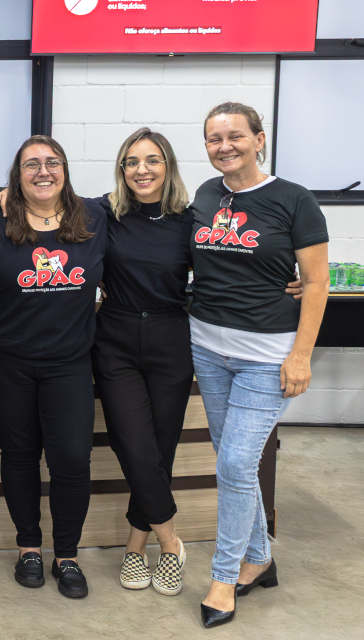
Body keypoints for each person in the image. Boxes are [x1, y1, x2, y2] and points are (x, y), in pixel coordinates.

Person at [0, 128, 304, 598]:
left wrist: (289, 281)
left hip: (171, 339)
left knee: (159, 450)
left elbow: (232, 257)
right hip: (113, 339)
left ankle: (137, 544)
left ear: (168, 166)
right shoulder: (104, 213)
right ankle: (170, 543)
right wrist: (12, 188)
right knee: (132, 445)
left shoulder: (193, 218)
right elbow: (47, 191)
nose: (142, 170)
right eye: (132, 162)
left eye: (152, 160)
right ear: (121, 169)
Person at [192, 103, 328, 628]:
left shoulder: (294, 199)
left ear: (259, 139)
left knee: (232, 465)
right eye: (213, 138)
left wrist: (301, 355)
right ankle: (260, 559)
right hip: (206, 347)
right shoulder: (206, 195)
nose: (223, 145)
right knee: (236, 464)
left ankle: (224, 578)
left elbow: (316, 282)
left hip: (266, 356)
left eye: (234, 136)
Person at [0, 135, 105, 599]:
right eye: (31, 165)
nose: (43, 172)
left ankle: (66, 555)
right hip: (6, 360)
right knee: (20, 453)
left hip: (68, 361)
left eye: (52, 163)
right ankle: (29, 546)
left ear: (65, 169)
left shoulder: (94, 217)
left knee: (71, 458)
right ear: (17, 175)